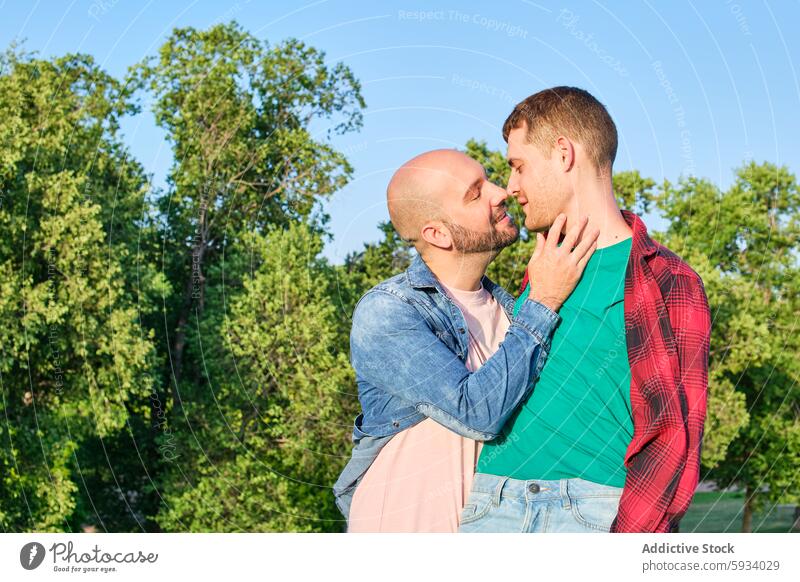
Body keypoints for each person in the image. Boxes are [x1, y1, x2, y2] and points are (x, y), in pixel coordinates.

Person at [460, 86, 712, 533]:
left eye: (518, 166)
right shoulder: (542, 269)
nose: (511, 186)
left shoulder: (669, 280)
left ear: (563, 154)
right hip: (492, 503)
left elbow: (677, 435)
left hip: (591, 512)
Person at [333, 148, 599, 532]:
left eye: (488, 179)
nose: (500, 192)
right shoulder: (387, 311)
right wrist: (545, 300)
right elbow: (477, 413)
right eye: (475, 193)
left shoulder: (514, 312)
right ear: (438, 234)